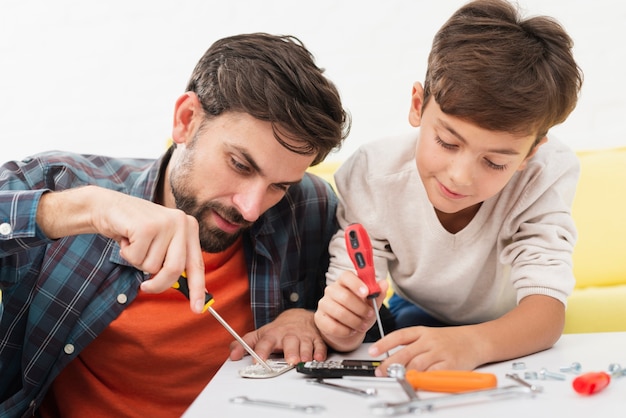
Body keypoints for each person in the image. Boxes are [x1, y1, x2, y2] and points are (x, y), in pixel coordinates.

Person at [0, 32, 350, 417]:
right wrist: (86, 210)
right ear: (186, 120)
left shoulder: (309, 208)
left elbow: (368, 332)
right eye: (240, 165)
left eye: (279, 186)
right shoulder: (59, 185)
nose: (251, 209)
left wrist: (313, 319)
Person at [314, 0, 583, 376]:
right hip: (417, 313)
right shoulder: (373, 175)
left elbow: (546, 314)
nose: (460, 176)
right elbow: (349, 317)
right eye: (447, 142)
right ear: (417, 105)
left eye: (495, 162)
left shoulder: (546, 174)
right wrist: (342, 326)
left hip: (511, 324)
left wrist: (475, 343)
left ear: (531, 153)